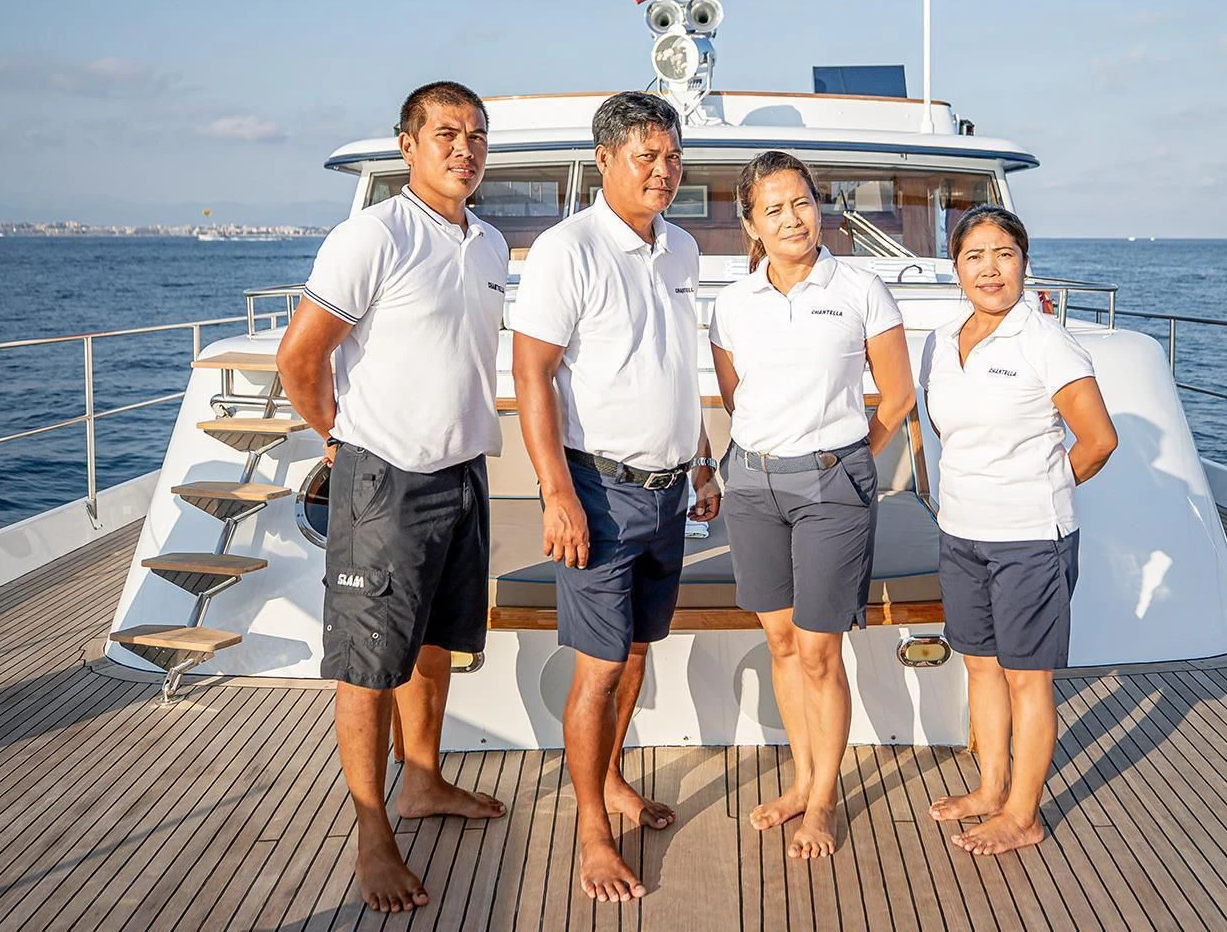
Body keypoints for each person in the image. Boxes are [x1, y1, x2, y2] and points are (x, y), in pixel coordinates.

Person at [276, 81, 509, 914]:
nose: (465, 148)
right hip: (384, 480)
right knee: (368, 665)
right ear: (407, 144)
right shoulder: (372, 235)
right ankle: (372, 832)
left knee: (436, 644)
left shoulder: (489, 243)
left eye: (476, 134)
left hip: (463, 473)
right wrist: (338, 437)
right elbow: (299, 358)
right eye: (446, 133)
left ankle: (424, 781)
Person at [509, 91, 721, 902]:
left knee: (634, 654)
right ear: (605, 161)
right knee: (598, 670)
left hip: (668, 493)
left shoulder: (681, 249)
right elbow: (531, 374)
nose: (664, 171)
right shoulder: (567, 250)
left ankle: (612, 780)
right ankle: (592, 830)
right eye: (647, 157)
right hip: (597, 490)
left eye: (672, 157)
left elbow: (676, 367)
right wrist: (555, 494)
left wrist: (702, 461)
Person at [707, 150, 915, 859]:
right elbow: (735, 397)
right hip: (752, 484)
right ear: (751, 224)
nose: (792, 218)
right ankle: (801, 780)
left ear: (818, 205)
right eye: (773, 209)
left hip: (833, 485)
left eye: (801, 202)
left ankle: (822, 800)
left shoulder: (860, 287)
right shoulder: (733, 304)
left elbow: (898, 396)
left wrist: (848, 457)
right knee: (781, 642)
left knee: (820, 651)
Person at [918, 205, 1117, 856]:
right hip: (961, 530)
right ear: (955, 268)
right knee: (981, 666)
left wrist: (1040, 489)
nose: (990, 268)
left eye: (1003, 254)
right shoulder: (940, 343)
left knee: (1027, 677)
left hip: (1031, 536)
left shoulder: (1046, 340)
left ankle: (1024, 815)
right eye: (974, 256)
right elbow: (949, 431)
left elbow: (1098, 440)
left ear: (1025, 263)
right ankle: (990, 788)